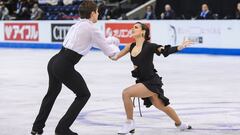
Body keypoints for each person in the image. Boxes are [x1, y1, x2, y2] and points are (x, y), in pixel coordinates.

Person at [31, 1, 120, 135]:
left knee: (52, 93)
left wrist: (110, 40)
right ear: (92, 13)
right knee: (84, 95)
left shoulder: (78, 25)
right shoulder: (92, 28)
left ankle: (36, 128)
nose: (98, 14)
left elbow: (94, 42)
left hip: (55, 61)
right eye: (97, 12)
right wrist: (117, 46)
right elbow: (111, 54)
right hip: (64, 65)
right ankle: (62, 129)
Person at [110, 22, 193, 134]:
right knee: (161, 106)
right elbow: (115, 57)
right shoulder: (131, 46)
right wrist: (106, 47)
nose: (132, 29)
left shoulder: (150, 46)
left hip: (151, 82)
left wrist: (180, 47)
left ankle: (129, 123)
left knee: (126, 93)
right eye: (132, 27)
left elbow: (164, 50)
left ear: (143, 31)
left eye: (136, 27)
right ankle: (180, 124)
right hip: (142, 82)